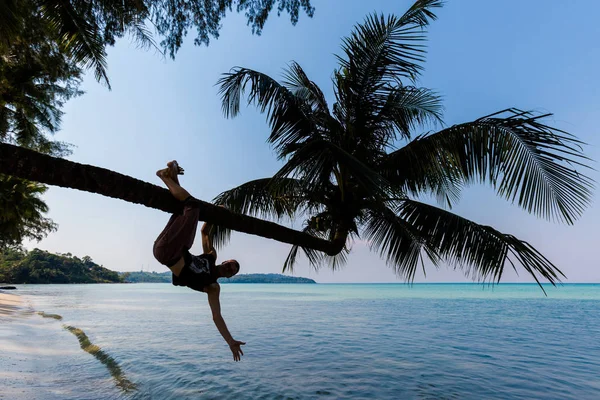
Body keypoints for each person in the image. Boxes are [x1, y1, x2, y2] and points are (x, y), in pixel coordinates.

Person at [153, 160, 245, 361]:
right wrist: (215, 214)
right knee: (183, 208)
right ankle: (171, 174)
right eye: (231, 263)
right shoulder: (211, 256)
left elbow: (216, 316)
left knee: (192, 206)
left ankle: (164, 176)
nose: (230, 267)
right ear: (225, 260)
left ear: (229, 276)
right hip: (170, 244)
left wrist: (230, 341)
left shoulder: (212, 286)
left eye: (232, 270)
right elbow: (204, 230)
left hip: (168, 254)